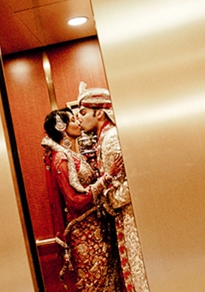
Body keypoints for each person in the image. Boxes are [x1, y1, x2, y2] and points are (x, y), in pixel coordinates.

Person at [77, 82, 150, 292]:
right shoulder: (104, 138)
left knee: (140, 273)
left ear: (99, 113)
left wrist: (110, 199)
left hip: (131, 215)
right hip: (124, 216)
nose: (79, 118)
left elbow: (133, 182)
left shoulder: (111, 139)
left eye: (83, 112)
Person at [42, 108, 125, 292]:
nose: (78, 122)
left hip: (96, 227)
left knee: (108, 279)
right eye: (72, 120)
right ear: (61, 127)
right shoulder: (60, 159)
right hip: (84, 232)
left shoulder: (71, 155)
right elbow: (74, 201)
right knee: (95, 282)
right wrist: (106, 178)